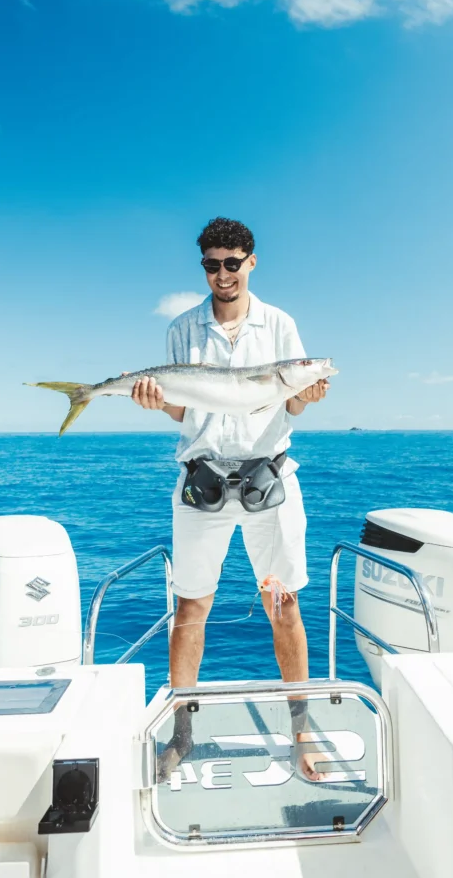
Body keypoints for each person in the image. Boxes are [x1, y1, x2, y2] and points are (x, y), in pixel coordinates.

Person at [130, 216, 329, 781]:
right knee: (191, 608)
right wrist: (155, 401)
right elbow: (182, 409)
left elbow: (291, 403)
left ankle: (301, 732)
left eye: (232, 263)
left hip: (271, 480)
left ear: (251, 262)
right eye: (211, 265)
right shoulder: (183, 328)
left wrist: (307, 394)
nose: (222, 274)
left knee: (284, 604)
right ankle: (181, 735)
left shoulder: (280, 325)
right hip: (202, 481)